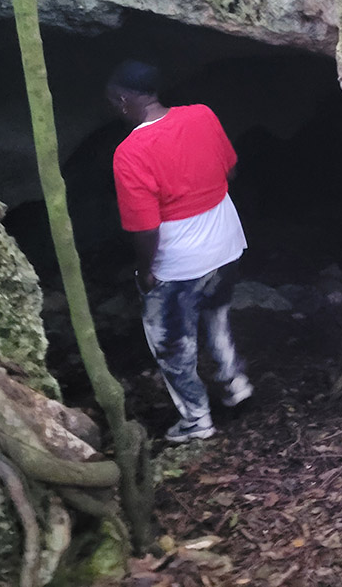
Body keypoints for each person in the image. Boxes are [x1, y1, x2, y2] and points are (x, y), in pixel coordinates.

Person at [107, 60, 253, 442]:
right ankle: (235, 384)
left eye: (113, 100)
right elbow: (230, 170)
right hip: (226, 243)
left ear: (123, 100)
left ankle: (197, 420)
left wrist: (145, 271)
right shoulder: (202, 115)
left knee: (173, 346)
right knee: (217, 316)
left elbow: (145, 227)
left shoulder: (130, 152)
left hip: (179, 263)